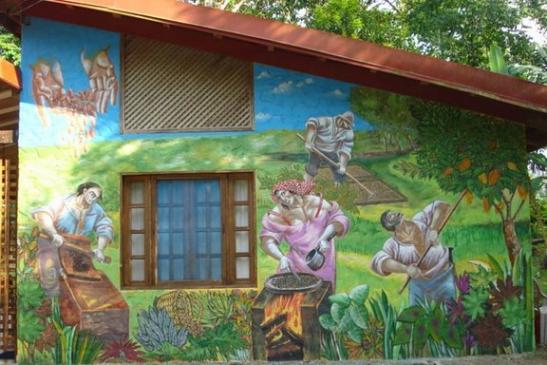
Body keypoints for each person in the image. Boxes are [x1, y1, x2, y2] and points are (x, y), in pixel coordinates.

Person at [260, 179, 350, 286]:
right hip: (295, 268)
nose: (283, 198)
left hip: (322, 263)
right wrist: (281, 257)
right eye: (279, 198)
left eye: (284, 193)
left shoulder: (317, 202)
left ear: (293, 190)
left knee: (322, 297)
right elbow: (267, 241)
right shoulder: (279, 214)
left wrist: (325, 238)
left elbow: (340, 219)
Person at [32, 182, 113, 296]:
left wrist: (100, 249)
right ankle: (52, 303)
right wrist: (54, 234)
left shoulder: (97, 211)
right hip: (52, 243)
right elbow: (43, 214)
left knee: (85, 275)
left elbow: (105, 227)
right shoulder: (63, 202)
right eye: (92, 194)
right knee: (50, 270)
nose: (94, 199)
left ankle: (76, 302)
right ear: (84, 191)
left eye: (97, 197)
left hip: (77, 247)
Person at [371, 201, 455, 305]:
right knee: (416, 316)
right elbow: (379, 262)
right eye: (392, 216)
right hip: (419, 283)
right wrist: (406, 269)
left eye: (394, 212)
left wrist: (434, 229)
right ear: (390, 225)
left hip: (444, 274)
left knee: (451, 312)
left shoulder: (420, 220)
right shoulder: (393, 245)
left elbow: (440, 206)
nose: (396, 213)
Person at [304, 111, 355, 185]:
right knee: (312, 167)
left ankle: (339, 189)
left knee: (339, 171)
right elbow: (313, 122)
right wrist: (308, 141)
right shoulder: (328, 121)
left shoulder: (348, 132)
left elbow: (346, 149)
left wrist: (343, 166)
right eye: (346, 123)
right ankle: (306, 185)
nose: (346, 127)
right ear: (341, 119)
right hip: (317, 149)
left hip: (332, 152)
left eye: (348, 125)